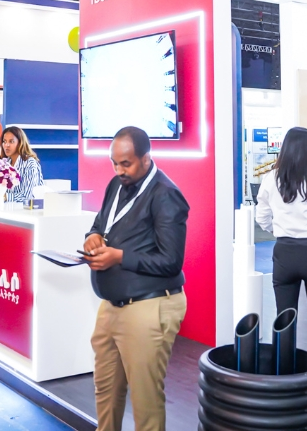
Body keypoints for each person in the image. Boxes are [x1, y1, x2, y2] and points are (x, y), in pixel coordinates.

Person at [82, 126, 188, 431]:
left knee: (145, 402)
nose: (119, 170)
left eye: (125, 164)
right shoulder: (116, 185)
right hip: (111, 306)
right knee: (105, 392)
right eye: (114, 163)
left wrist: (119, 257)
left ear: (146, 158)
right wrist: (92, 236)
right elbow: (100, 224)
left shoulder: (166, 195)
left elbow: (171, 261)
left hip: (149, 306)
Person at [256, 128, 307, 386]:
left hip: (285, 252)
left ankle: (284, 373)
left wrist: (280, 231)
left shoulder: (270, 178)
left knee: (284, 318)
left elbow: (262, 217)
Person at [0, 126, 44, 204]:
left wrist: (3, 196)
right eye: (4, 141)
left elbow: (28, 196)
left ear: (20, 143)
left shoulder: (30, 163)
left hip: (27, 209)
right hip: (8, 208)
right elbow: (2, 189)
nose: (7, 145)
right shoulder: (5, 163)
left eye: (11, 141)